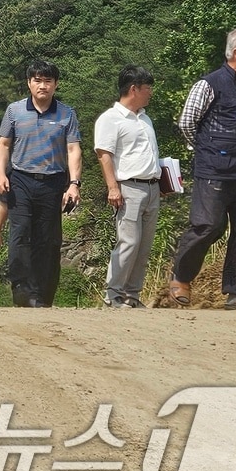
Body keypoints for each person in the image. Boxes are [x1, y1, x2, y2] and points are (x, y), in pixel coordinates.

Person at [169, 27, 236, 311]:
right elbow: (187, 122)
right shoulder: (209, 84)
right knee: (207, 226)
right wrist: (207, 152)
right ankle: (181, 277)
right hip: (214, 171)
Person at [0, 60, 82, 308]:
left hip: (53, 182)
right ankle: (22, 292)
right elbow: (3, 144)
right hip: (20, 179)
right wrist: (1, 174)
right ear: (29, 83)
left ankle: (43, 296)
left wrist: (74, 184)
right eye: (37, 80)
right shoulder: (14, 111)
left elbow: (74, 149)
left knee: (48, 240)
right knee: (20, 235)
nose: (43, 86)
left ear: (55, 84)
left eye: (48, 81)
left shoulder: (67, 113)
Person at [93, 65, 161, 309]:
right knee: (128, 242)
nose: (150, 92)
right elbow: (104, 154)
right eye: (147, 88)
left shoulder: (144, 118)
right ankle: (113, 295)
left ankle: (132, 295)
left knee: (144, 245)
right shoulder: (110, 119)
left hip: (153, 188)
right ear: (134, 89)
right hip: (129, 188)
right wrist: (113, 187)